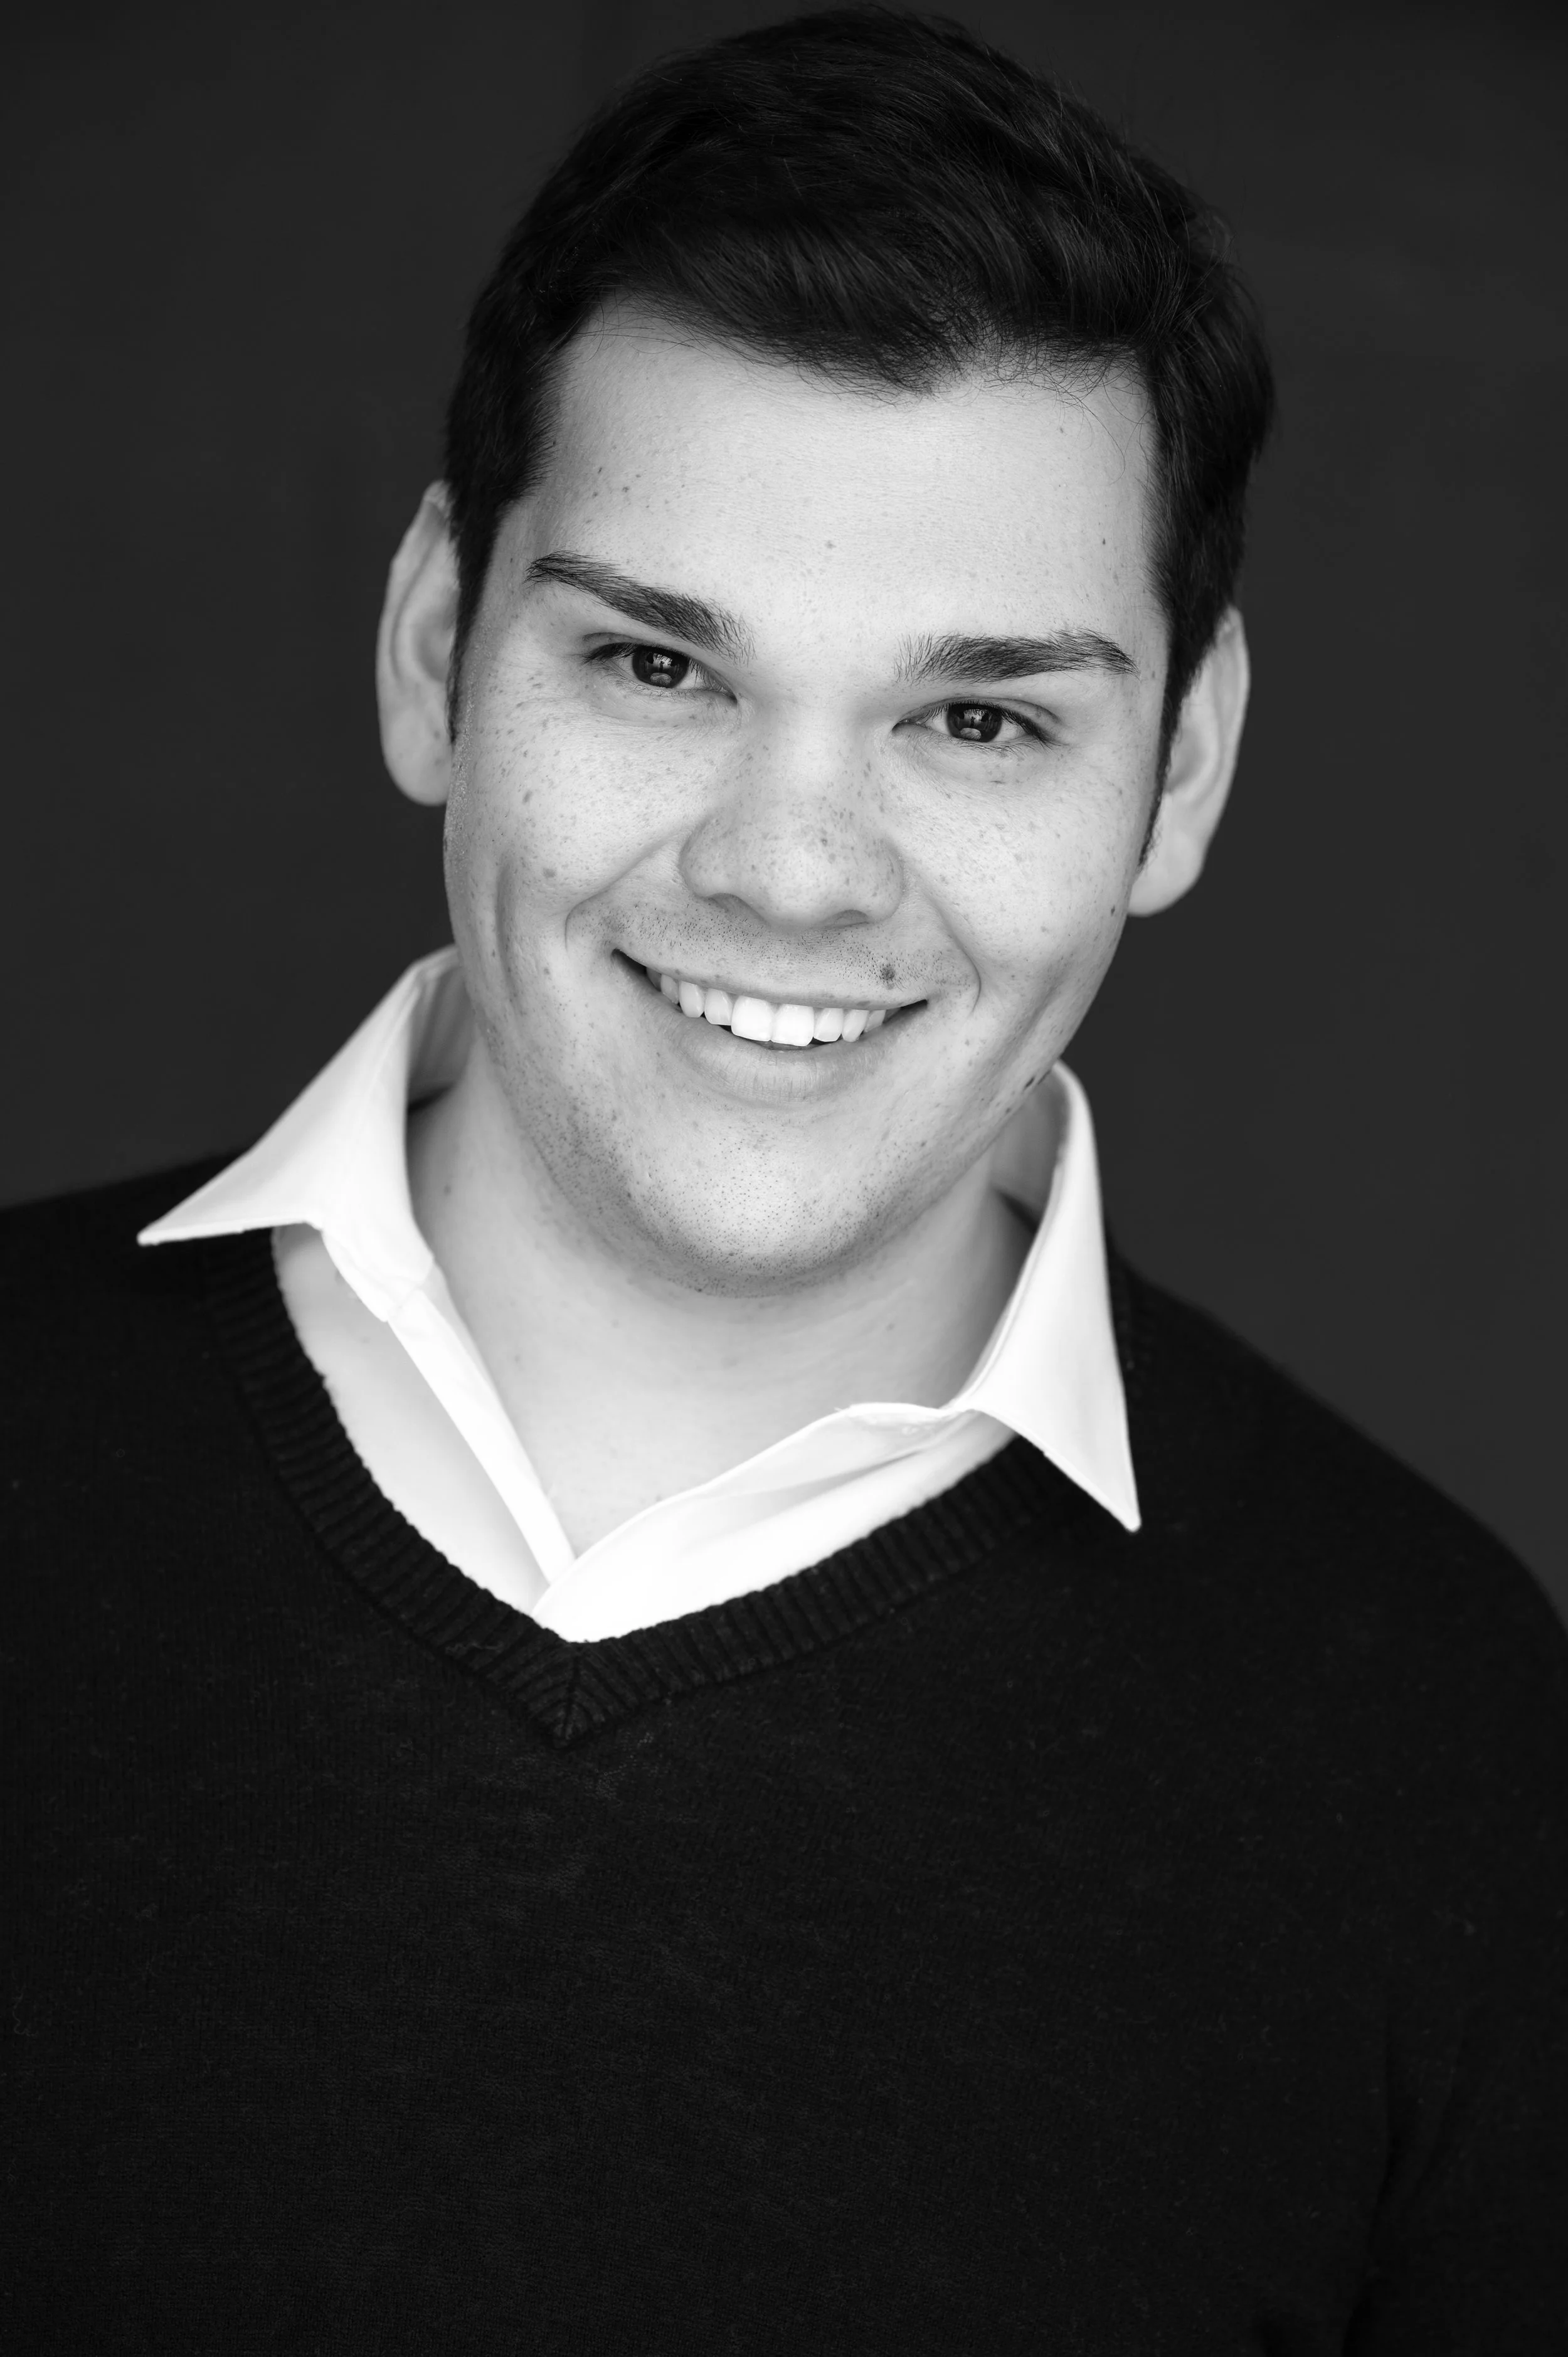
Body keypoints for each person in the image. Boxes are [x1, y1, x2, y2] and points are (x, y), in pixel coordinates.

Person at [4, 9, 1564, 2347]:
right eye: (654, 661)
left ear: (1184, 769)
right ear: (440, 647)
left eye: (976, 720)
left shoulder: (1459, 1756)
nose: (792, 870)